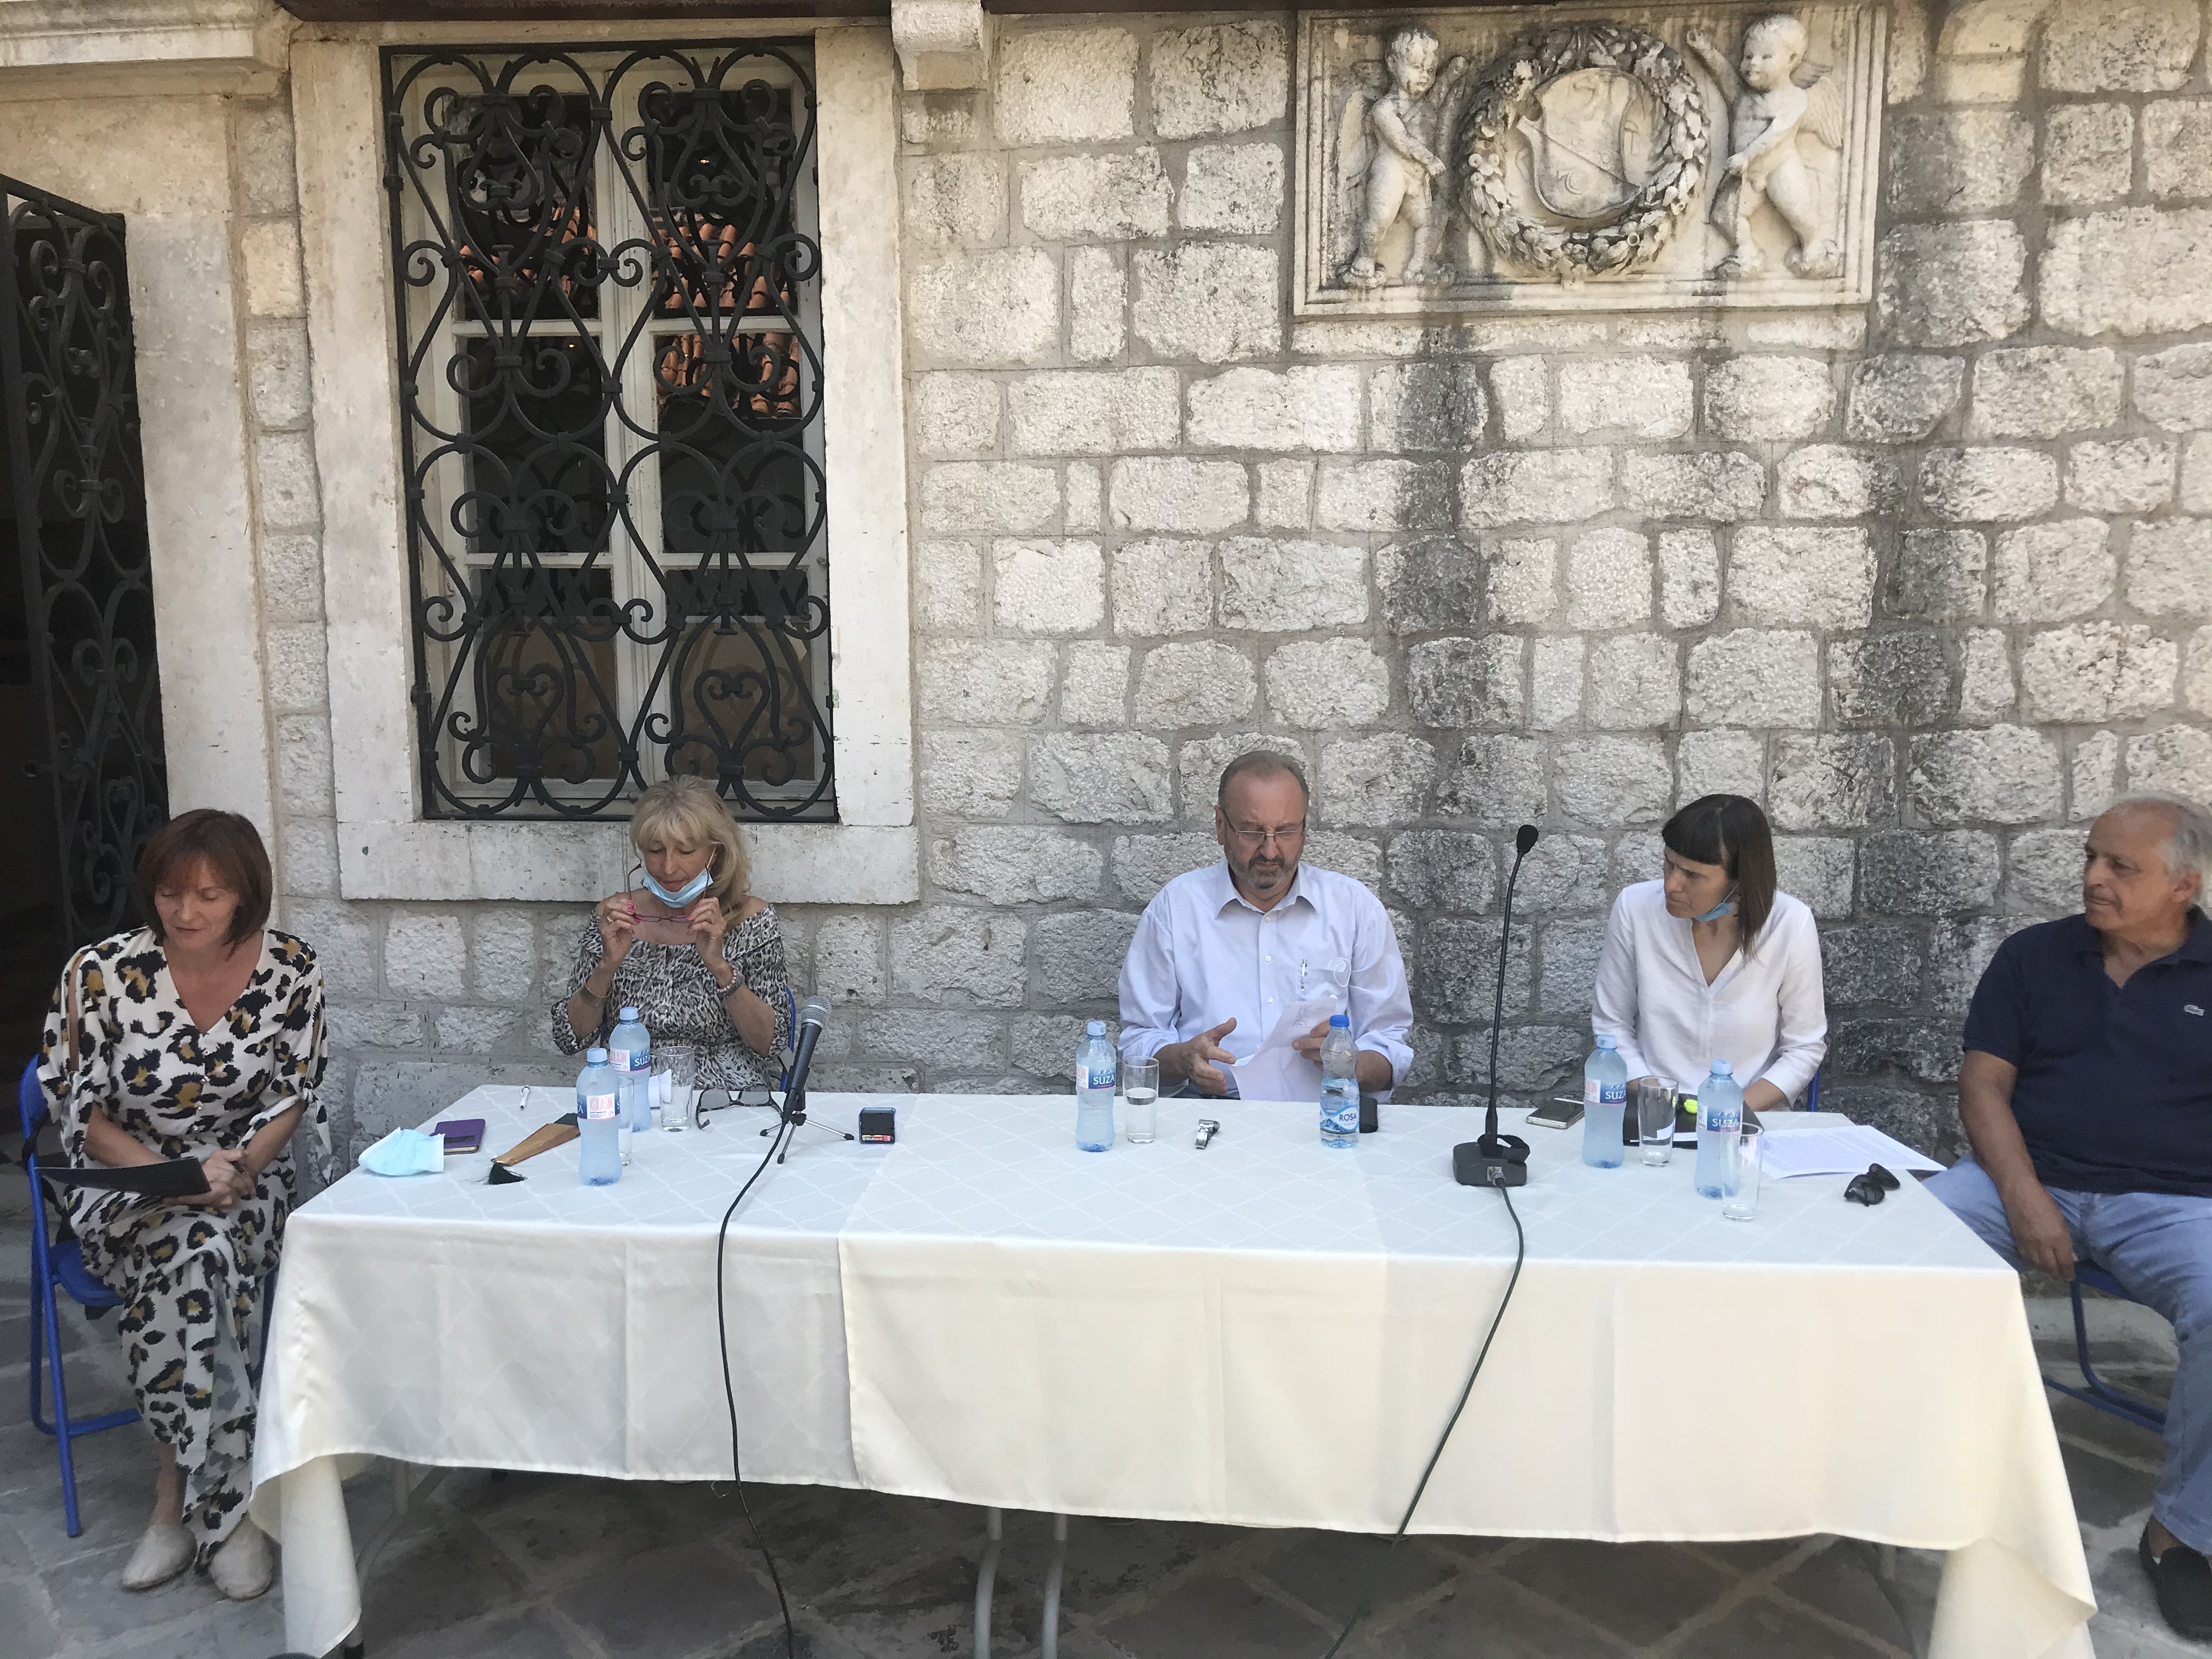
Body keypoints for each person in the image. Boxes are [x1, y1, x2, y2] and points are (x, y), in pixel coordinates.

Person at [1927, 794, 2212, 1640]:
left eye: (2121, 867)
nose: (2093, 877)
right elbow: (1984, 1085)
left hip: (2172, 1204)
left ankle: (2182, 1533)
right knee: (1897, 1251)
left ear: (2185, 887)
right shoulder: (2036, 956)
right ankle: (1908, 1467)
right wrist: (2025, 1198)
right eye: (2091, 857)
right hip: (2019, 1177)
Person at [37, 810, 327, 1598]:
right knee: (197, 1256)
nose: (186, 912)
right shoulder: (97, 973)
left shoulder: (292, 968)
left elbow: (292, 1094)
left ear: (246, 895)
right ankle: (227, 1512)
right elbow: (78, 1114)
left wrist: (235, 1169)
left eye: (209, 895)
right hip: (131, 1189)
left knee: (201, 1253)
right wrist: (178, 1176)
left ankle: (173, 1505)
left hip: (246, 1183)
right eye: (171, 893)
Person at [1118, 751, 1412, 1098]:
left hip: (1325, 1114)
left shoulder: (1354, 908)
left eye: (1286, 832)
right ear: (1220, 826)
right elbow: (1139, 1041)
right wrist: (1185, 1060)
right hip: (1211, 1112)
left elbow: (1389, 1040)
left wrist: (1350, 1064)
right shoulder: (1176, 908)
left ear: (1304, 830)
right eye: (1252, 832)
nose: (1270, 851)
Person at [1591, 794, 1826, 1113]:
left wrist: (1724, 1113)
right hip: (1650, 1113)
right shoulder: (1635, 908)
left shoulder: (1790, 923)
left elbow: (1804, 1048)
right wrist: (1659, 1105)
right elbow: (1612, 1026)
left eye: (1692, 875)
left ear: (1740, 882)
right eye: (1669, 863)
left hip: (1748, 1119)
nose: (1671, 884)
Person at [554, 774, 791, 1090]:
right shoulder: (616, 917)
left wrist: (720, 968)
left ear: (715, 853)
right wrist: (607, 967)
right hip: (632, 1088)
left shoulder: (752, 920)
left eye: (685, 852)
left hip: (724, 1092)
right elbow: (569, 1037)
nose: (668, 868)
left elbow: (771, 1044)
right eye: (655, 851)